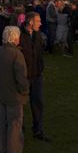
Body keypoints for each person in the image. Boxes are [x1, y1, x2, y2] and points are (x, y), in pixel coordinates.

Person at [0, 26, 30, 153]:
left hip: (2, 93)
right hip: (14, 96)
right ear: (15, 38)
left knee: (2, 124)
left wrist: (0, 81)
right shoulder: (17, 54)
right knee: (15, 125)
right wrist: (25, 90)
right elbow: (21, 77)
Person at [19, 12, 50, 142]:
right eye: (38, 21)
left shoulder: (37, 34)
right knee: (20, 104)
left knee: (38, 103)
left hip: (36, 75)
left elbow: (39, 53)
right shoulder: (19, 35)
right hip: (24, 76)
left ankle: (38, 130)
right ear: (30, 22)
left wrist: (40, 70)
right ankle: (19, 130)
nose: (41, 23)